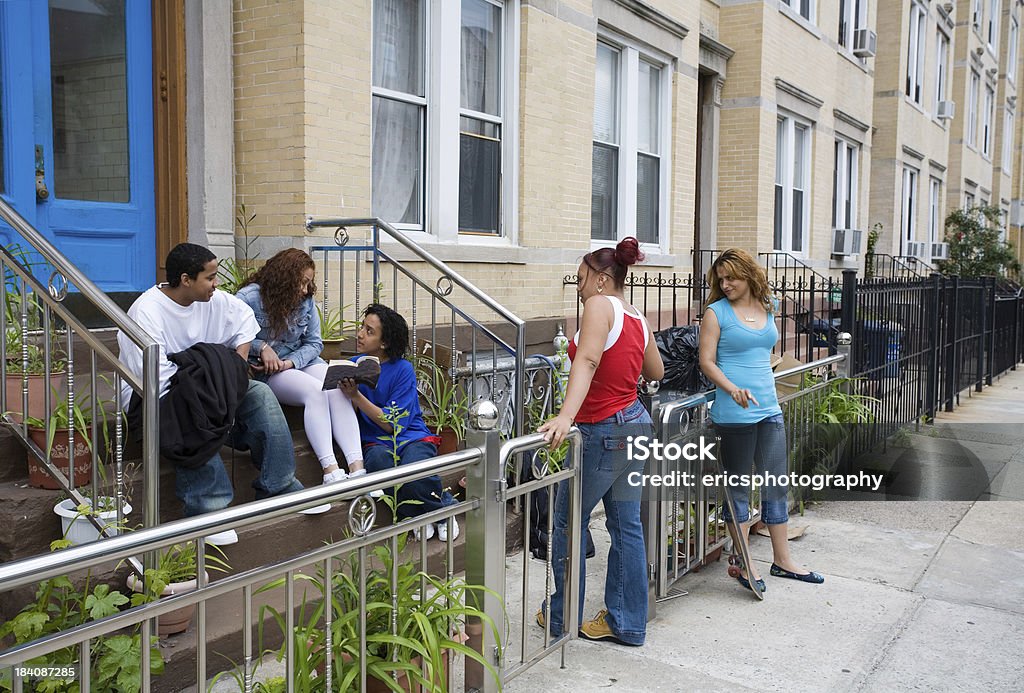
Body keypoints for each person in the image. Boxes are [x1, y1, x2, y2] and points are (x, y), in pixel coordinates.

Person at [117, 243, 328, 546]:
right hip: (156, 397)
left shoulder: (212, 299)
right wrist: (218, 376)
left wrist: (235, 368)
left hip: (207, 387)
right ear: (186, 279)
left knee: (260, 395)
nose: (217, 284)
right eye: (210, 277)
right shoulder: (146, 312)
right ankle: (208, 510)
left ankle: (278, 486)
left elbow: (243, 323)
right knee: (191, 415)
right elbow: (157, 379)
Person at [537, 237, 664, 647]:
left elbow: (588, 360)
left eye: (581, 279)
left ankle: (562, 616)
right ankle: (626, 622)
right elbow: (656, 370)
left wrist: (565, 416)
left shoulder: (598, 306)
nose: (578, 287)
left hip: (603, 430)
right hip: (635, 424)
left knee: (567, 520)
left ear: (602, 278)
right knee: (626, 525)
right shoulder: (638, 317)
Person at [697, 247, 824, 590]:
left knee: (775, 486)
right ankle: (745, 563)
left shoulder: (769, 307)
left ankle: (783, 562)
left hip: (769, 409)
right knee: (737, 490)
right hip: (733, 414)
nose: (725, 284)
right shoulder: (716, 313)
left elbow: (764, 349)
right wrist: (733, 388)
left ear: (748, 275)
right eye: (720, 279)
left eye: (731, 278)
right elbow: (706, 362)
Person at [236, 249, 365, 485]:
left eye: (309, 283)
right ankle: (331, 470)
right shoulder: (248, 298)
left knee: (336, 383)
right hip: (267, 372)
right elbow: (230, 335)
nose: (306, 290)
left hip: (296, 361)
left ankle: (357, 468)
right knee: (314, 391)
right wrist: (262, 347)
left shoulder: (305, 302)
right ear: (284, 278)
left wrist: (290, 362)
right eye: (302, 282)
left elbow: (315, 343)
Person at [339, 304, 457, 541]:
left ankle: (444, 511)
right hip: (375, 443)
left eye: (369, 331)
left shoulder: (403, 369)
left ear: (384, 343)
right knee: (380, 466)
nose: (360, 334)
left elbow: (391, 424)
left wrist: (356, 395)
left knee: (415, 469)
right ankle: (414, 514)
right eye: (362, 327)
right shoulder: (354, 365)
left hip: (411, 436)